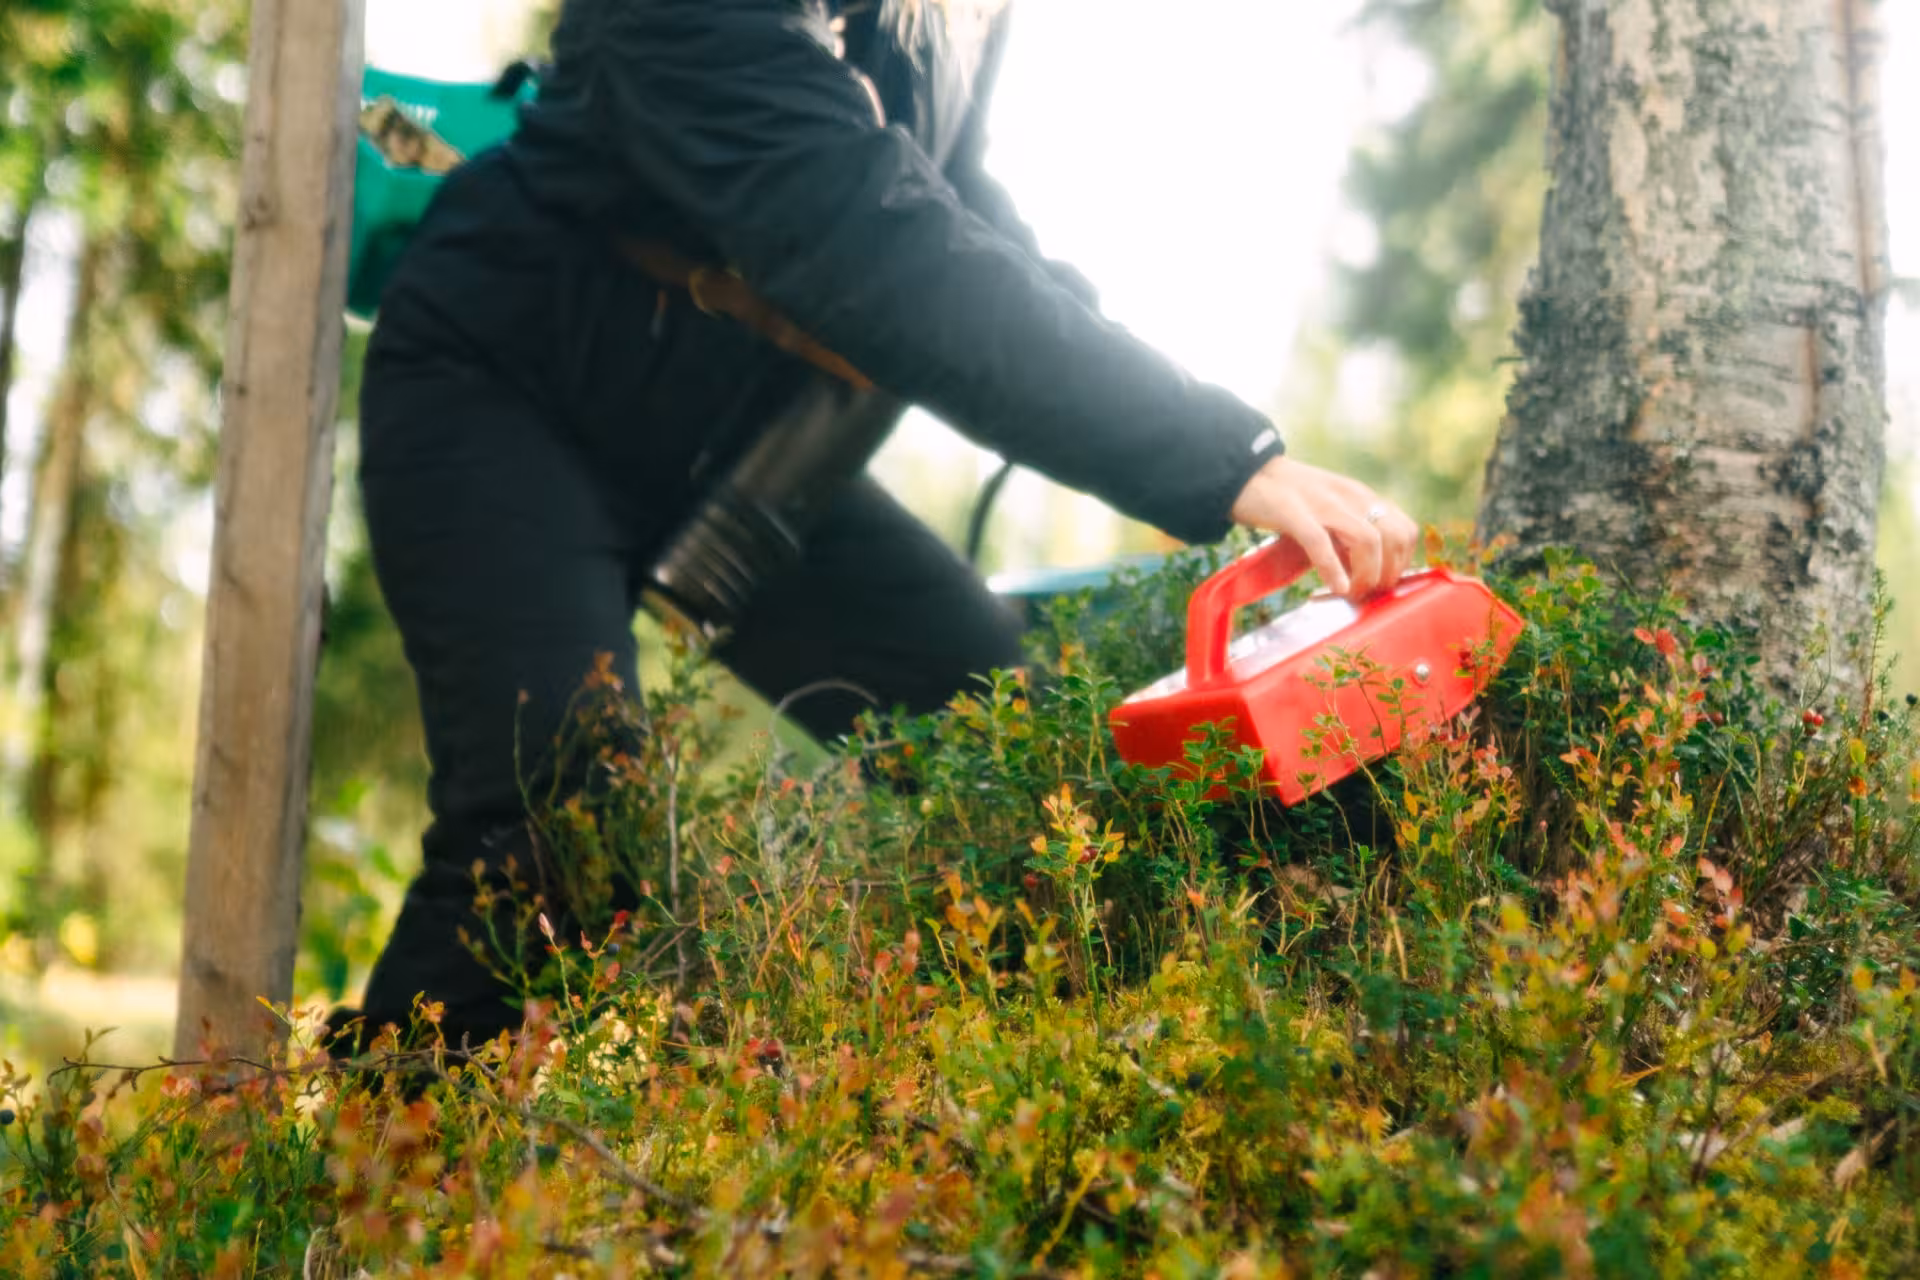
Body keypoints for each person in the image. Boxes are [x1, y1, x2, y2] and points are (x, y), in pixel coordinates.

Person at [334, 0, 1419, 1052]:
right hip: (510, 381)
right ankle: (363, 1200)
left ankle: (1074, 1111)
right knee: (552, 827)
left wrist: (1202, 422)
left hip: (736, 440)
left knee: (1013, 749)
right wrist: (1225, 459)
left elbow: (955, 206)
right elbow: (876, 243)